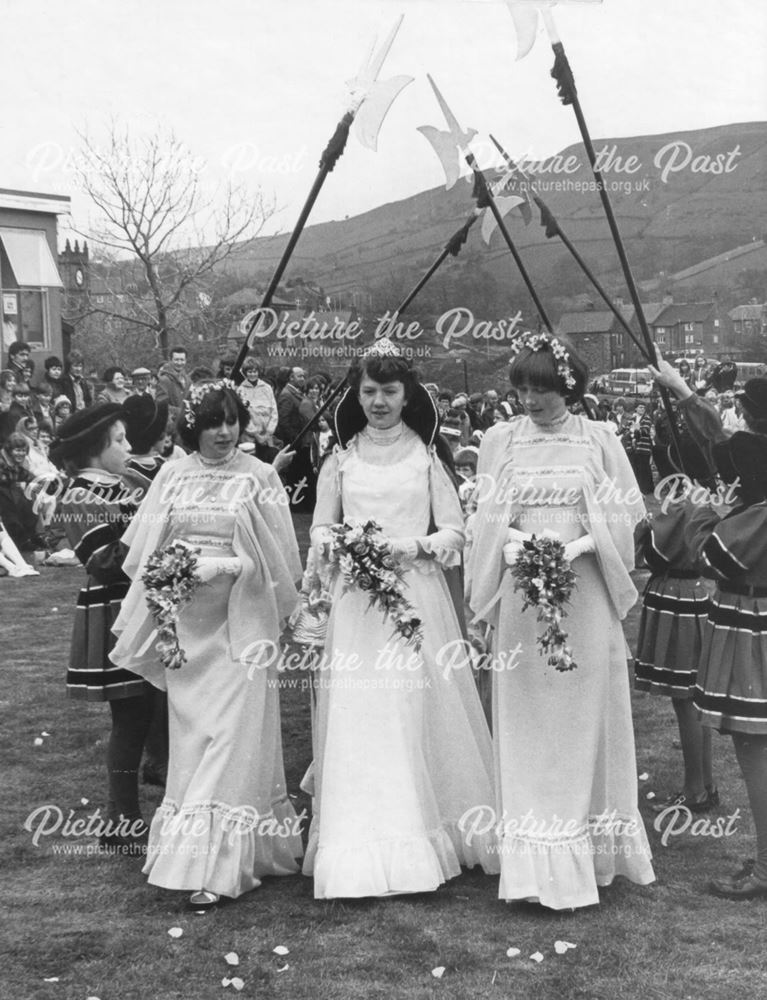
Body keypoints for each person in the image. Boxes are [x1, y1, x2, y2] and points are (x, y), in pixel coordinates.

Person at [301, 339, 499, 899]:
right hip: (358, 603)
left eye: (389, 391)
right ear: (355, 395)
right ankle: (362, 838)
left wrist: (406, 547)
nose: (379, 401)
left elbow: (455, 532)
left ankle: (432, 828)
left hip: (416, 596)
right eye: (369, 391)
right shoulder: (340, 459)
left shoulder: (426, 456)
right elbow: (318, 526)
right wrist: (341, 543)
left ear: (407, 394)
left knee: (414, 706)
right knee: (363, 710)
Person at [467, 331, 655, 910]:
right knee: (527, 715)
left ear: (569, 386)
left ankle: (588, 850)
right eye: (522, 389)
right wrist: (514, 540)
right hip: (524, 602)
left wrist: (582, 546)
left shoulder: (599, 439)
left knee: (582, 717)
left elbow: (630, 515)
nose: (530, 401)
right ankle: (529, 856)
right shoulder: (501, 440)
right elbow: (484, 513)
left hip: (585, 597)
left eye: (542, 390)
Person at [111, 380, 303, 909]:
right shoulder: (172, 474)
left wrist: (229, 565)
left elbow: (284, 562)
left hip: (242, 625)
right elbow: (144, 553)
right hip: (186, 632)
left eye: (232, 421)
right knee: (196, 742)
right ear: (192, 427)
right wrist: (176, 571)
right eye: (213, 422)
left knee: (230, 737)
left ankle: (213, 869)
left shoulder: (261, 477)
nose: (224, 432)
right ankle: (224, 849)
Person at [648, 355, 767, 899]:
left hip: (753, 618)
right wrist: (679, 389)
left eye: (742, 413)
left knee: (753, 741)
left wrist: (702, 510)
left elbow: (715, 556)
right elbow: (721, 442)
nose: (734, 421)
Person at [51, 403, 153, 851]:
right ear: (95, 449)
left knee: (155, 711)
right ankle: (121, 821)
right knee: (130, 717)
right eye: (119, 440)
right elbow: (103, 561)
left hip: (146, 608)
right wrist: (153, 526)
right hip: (114, 613)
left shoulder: (130, 482)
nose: (129, 447)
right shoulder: (77, 496)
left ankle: (165, 784)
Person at [155, 347, 190, 419]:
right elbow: (161, 405)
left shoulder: (188, 380)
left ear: (186, 360)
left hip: (186, 423)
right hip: (171, 424)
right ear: (170, 360)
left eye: (182, 360)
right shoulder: (164, 380)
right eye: (176, 360)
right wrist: (182, 412)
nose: (179, 363)